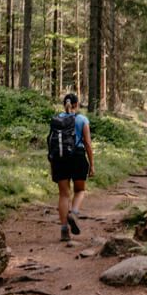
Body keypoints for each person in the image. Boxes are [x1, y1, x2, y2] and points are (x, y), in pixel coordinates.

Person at [50, 93, 94, 241]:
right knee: (80, 190)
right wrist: (92, 164)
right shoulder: (82, 119)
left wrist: (52, 163)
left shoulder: (56, 120)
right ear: (76, 104)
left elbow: (51, 142)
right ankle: (73, 213)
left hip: (60, 159)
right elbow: (87, 143)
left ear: (65, 104)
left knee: (63, 195)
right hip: (78, 157)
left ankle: (64, 230)